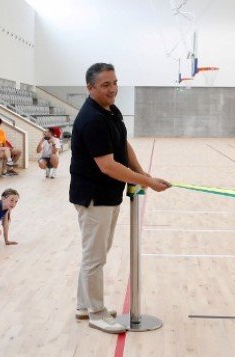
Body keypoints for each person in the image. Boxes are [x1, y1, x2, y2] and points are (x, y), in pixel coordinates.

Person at [69, 63, 170, 333]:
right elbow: (108, 166)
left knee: (96, 254)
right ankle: (97, 313)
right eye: (105, 85)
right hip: (94, 197)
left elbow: (122, 144)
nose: (113, 89)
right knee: (95, 257)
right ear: (90, 88)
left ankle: (83, 305)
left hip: (108, 195)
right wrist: (147, 182)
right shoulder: (91, 119)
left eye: (114, 82)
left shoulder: (110, 111)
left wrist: (141, 171)